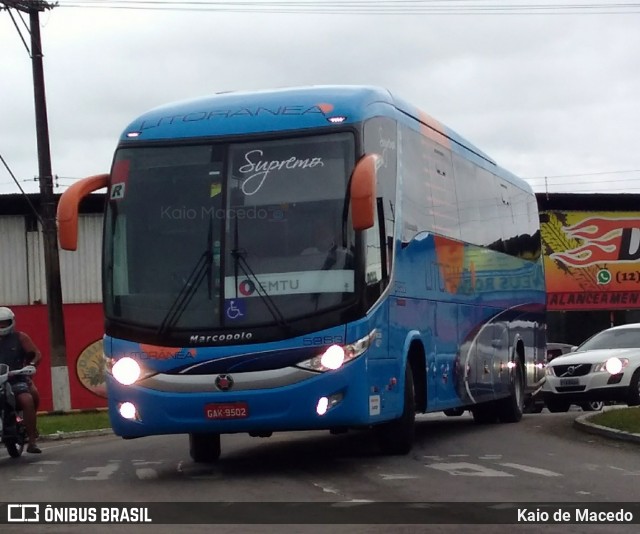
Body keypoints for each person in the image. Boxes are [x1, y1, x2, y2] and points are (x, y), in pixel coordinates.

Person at [0, 306, 42, 453]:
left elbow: (36, 354)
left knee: (27, 399)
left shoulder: (20, 337)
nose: (2, 326)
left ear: (11, 322)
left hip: (15, 379)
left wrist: (31, 364)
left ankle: (31, 441)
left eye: (4, 322)